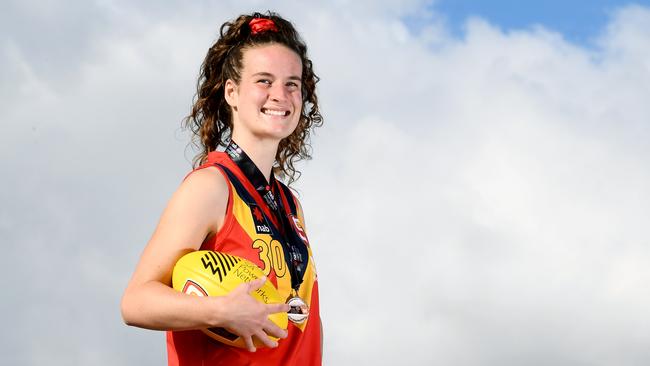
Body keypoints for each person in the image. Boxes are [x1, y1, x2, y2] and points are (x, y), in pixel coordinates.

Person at [120, 11, 323, 366]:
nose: (281, 95)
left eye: (292, 83)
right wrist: (219, 311)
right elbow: (135, 302)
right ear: (232, 91)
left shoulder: (288, 203)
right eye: (264, 80)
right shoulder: (211, 187)